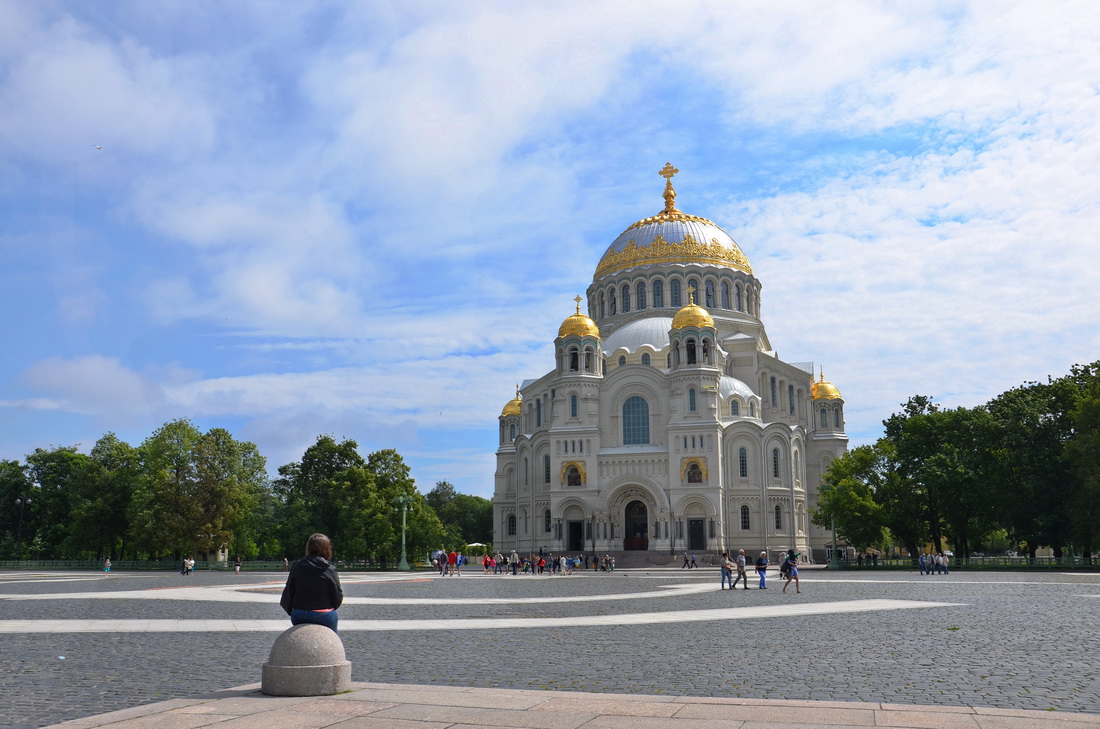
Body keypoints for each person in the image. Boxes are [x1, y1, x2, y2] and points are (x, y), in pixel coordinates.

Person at [280, 533, 343, 633]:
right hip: (323, 614)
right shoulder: (330, 569)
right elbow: (337, 595)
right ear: (327, 548)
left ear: (308, 548)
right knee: (332, 637)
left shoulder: (297, 566)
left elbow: (289, 590)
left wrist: (292, 610)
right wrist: (329, 608)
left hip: (299, 614)